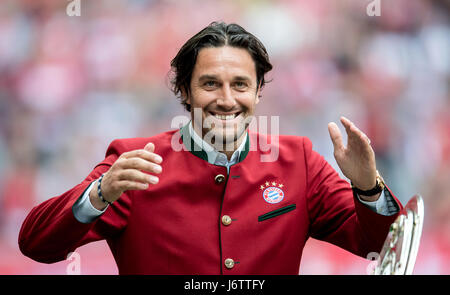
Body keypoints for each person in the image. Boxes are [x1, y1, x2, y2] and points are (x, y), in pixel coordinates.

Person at [18, 22, 402, 275]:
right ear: (184, 91)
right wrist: (100, 193)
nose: (226, 99)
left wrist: (368, 186)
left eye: (240, 84)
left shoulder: (300, 160)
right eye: (210, 84)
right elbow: (37, 245)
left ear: (257, 91)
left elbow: (382, 246)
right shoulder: (135, 161)